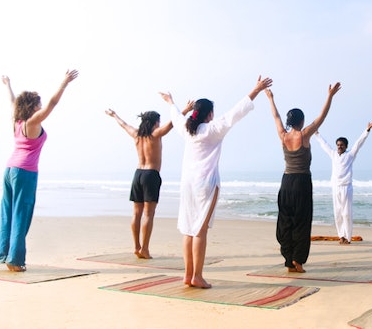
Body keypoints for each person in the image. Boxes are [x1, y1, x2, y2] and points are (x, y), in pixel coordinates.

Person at [160, 75, 273, 288]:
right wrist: (256, 89)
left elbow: (176, 117)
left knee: (188, 229)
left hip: (187, 184)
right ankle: (198, 276)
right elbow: (236, 112)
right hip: (206, 184)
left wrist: (170, 102)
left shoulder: (187, 128)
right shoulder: (214, 128)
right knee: (200, 231)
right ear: (209, 114)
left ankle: (188, 274)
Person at [0, 70, 79, 272]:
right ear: (32, 107)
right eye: (38, 104)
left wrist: (8, 84)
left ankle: (3, 255)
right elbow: (53, 104)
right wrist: (64, 83)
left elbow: (12, 101)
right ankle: (15, 261)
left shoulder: (16, 122)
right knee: (21, 215)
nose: (41, 106)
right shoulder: (32, 122)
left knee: (7, 214)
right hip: (25, 172)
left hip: (9, 170)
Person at [264, 82, 342, 273]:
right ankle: (298, 261)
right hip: (301, 182)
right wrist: (330, 95)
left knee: (286, 220)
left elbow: (276, 116)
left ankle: (289, 259)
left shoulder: (283, 136)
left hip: (286, 182)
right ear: (301, 121)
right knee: (301, 221)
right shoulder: (305, 135)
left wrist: (271, 99)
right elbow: (322, 117)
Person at [105, 107, 180, 259]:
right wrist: (184, 110)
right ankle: (144, 249)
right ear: (155, 122)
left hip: (138, 174)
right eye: (158, 122)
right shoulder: (156, 134)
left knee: (136, 213)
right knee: (148, 214)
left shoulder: (136, 135)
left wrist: (114, 115)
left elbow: (123, 124)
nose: (159, 125)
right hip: (151, 175)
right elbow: (172, 124)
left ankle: (137, 247)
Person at [314, 119, 372, 245]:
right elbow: (324, 144)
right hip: (336, 187)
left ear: (346, 146)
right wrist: (316, 134)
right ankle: (341, 236)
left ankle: (347, 238)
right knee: (337, 213)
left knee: (346, 214)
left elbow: (359, 143)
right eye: (338, 145)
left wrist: (367, 130)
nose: (339, 147)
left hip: (346, 187)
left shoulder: (350, 155)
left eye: (342, 145)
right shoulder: (333, 154)